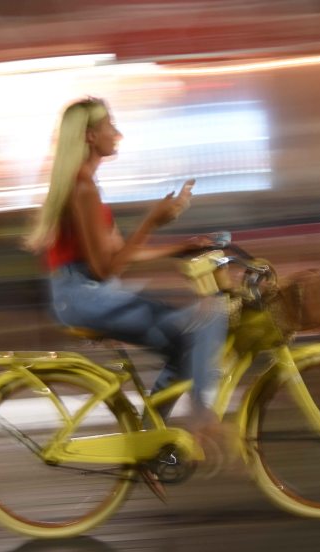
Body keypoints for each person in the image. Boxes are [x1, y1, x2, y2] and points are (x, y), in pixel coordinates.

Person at [25, 97, 228, 439]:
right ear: (90, 136)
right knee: (210, 314)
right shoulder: (83, 187)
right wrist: (151, 221)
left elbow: (120, 254)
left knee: (183, 339)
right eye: (110, 126)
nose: (117, 134)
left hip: (86, 293)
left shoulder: (85, 185)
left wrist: (182, 247)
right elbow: (107, 269)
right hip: (84, 297)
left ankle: (150, 439)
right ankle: (200, 414)